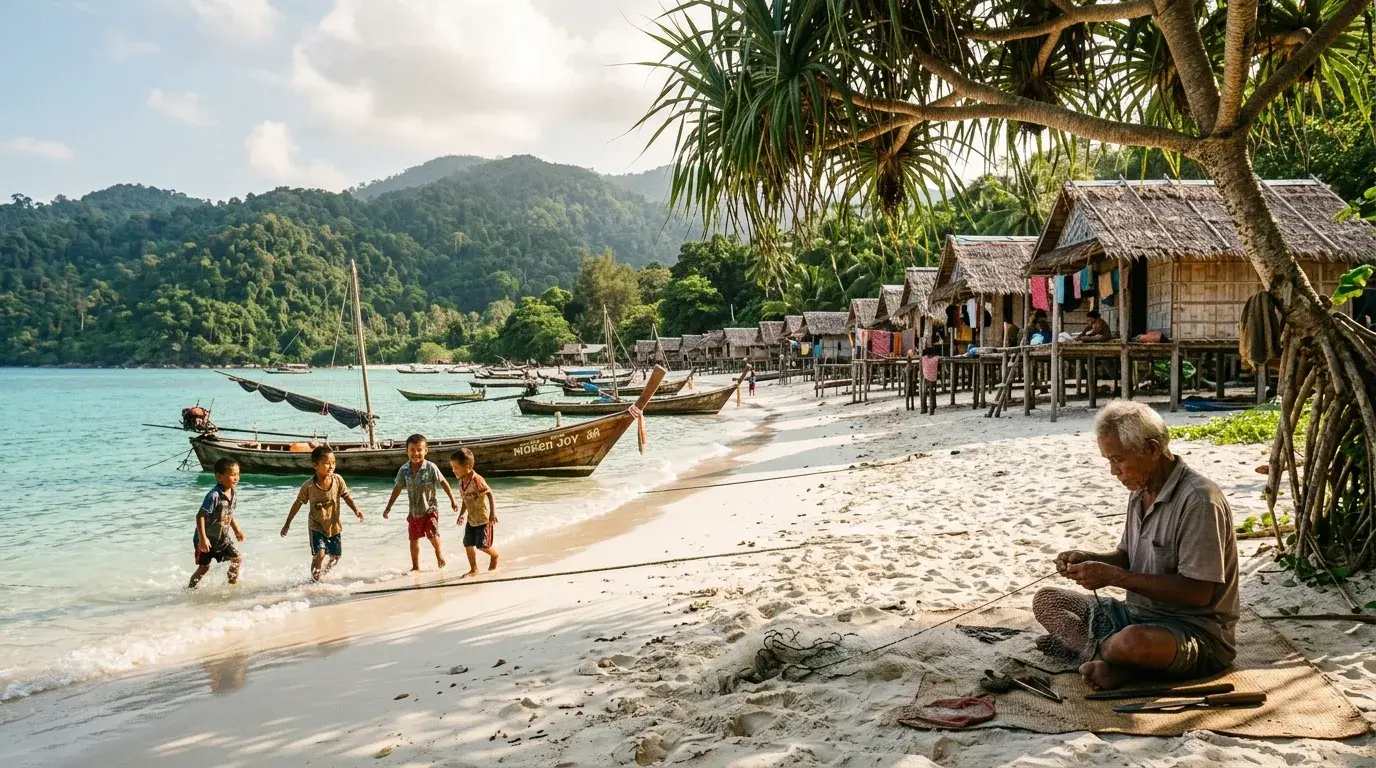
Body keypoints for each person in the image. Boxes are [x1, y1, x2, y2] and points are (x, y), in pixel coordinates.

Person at [1032, 400, 1239, 690]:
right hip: (1134, 615)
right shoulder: (1141, 488)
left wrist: (1113, 577)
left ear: (1153, 450)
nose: (1113, 471)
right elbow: (1128, 558)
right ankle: (1110, 659)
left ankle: (1105, 655)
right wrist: (1089, 560)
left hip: (1194, 631)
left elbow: (1198, 593)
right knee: (1047, 600)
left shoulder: (1199, 500)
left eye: (1118, 460)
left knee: (1131, 642)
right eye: (1109, 461)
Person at [280, 446, 364, 581]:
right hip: (316, 525)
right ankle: (315, 580)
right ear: (315, 465)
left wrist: (356, 510)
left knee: (335, 557)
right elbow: (297, 504)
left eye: (333, 463)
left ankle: (324, 573)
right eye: (327, 463)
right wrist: (287, 524)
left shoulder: (338, 480)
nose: (331, 466)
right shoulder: (309, 486)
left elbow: (346, 496)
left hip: (334, 525)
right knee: (320, 554)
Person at [383, 434, 458, 571]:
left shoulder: (431, 467)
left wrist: (453, 500)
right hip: (414, 511)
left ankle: (438, 553)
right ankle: (415, 567)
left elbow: (443, 482)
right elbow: (398, 488)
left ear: (426, 451)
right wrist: (388, 507)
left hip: (430, 509)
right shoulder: (404, 470)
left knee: (432, 533)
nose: (416, 453)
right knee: (413, 539)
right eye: (412, 450)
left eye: (419, 450)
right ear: (407, 451)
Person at [189, 458, 246, 588]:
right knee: (204, 568)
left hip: (222, 538)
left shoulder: (233, 493)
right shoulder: (214, 495)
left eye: (238, 474)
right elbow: (200, 516)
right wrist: (203, 539)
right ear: (219, 477)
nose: (236, 478)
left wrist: (237, 529)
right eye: (232, 474)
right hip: (205, 539)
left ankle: (231, 585)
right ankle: (190, 589)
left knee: (237, 559)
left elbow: (228, 513)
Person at [450, 448, 499, 577]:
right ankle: (474, 569)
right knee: (467, 544)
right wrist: (461, 514)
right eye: (452, 468)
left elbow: (490, 494)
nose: (453, 471)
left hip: (483, 519)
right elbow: (465, 501)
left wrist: (492, 513)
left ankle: (495, 555)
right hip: (471, 519)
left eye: (456, 468)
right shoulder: (461, 483)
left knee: (482, 546)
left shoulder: (477, 480)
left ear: (468, 467)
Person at [920, 346, 940, 414]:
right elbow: (938, 357)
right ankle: (931, 410)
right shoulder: (936, 358)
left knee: (924, 393)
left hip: (925, 377)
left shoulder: (923, 358)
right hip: (933, 378)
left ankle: (923, 409)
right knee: (932, 393)